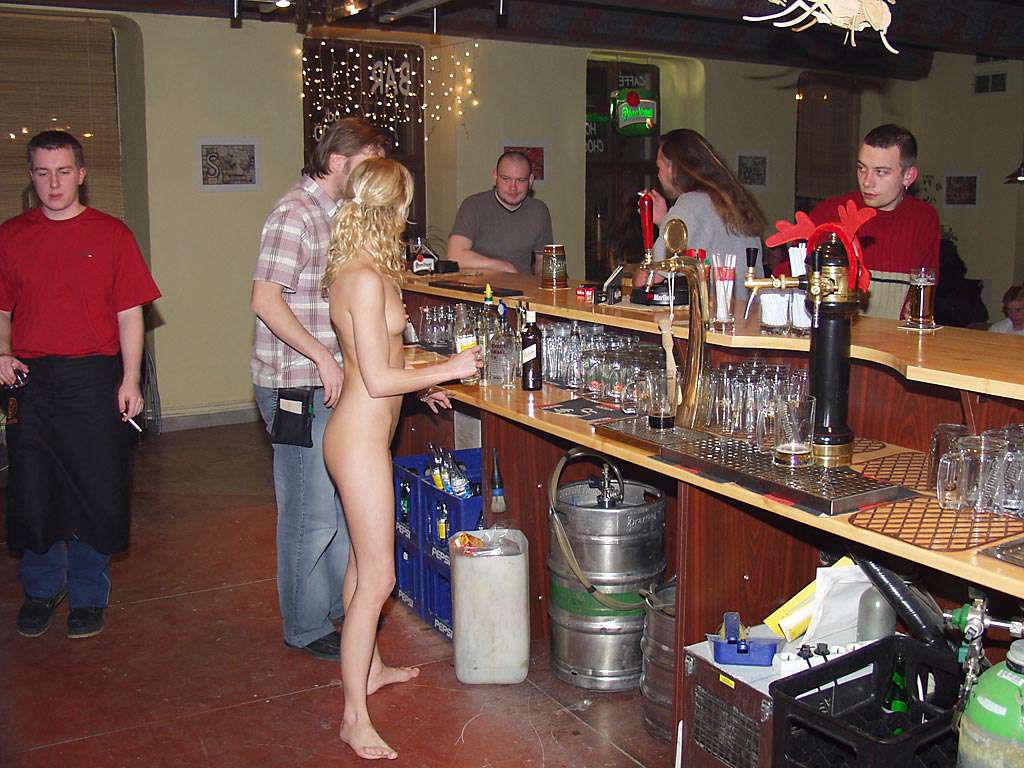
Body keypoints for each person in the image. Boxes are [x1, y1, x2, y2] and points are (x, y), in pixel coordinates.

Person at [321, 158, 480, 759]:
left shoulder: (366, 269)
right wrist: (450, 368)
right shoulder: (363, 279)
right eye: (403, 207)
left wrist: (424, 383)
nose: (407, 218)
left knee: (361, 567)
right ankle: (352, 717)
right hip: (357, 439)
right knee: (380, 579)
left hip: (366, 433)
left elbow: (382, 363)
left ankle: (371, 670)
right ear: (389, 209)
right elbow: (377, 378)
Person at [0, 130, 160, 639]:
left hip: (94, 377)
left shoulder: (112, 235)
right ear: (31, 176)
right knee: (33, 488)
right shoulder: (11, 236)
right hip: (30, 380)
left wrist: (130, 379)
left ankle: (89, 594)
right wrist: (2, 352)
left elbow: (131, 314)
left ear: (82, 175)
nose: (54, 183)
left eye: (63, 172)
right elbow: (1, 310)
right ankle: (42, 589)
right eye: (43, 173)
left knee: (96, 487)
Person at [250, 117, 390, 661]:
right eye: (368, 162)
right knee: (310, 513)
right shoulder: (295, 214)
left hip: (326, 383)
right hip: (296, 385)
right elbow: (265, 300)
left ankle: (333, 607)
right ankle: (305, 625)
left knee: (334, 505)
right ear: (337, 161)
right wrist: (321, 355)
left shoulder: (336, 215)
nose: (373, 174)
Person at [806, 124, 940, 319]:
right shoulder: (830, 213)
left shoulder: (924, 219)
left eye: (881, 172)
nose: (867, 182)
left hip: (895, 335)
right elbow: (789, 274)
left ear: (908, 176)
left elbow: (926, 285)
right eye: (862, 169)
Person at [633, 129, 767, 300]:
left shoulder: (688, 206)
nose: (658, 175)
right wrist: (664, 221)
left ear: (672, 168)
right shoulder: (733, 200)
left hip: (714, 314)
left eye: (659, 168)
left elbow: (647, 279)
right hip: (751, 311)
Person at [447, 150, 553, 274]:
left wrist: (550, 277)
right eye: (506, 179)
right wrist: (504, 267)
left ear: (530, 180)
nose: (513, 188)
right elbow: (455, 256)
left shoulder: (539, 210)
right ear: (495, 177)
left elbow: (542, 261)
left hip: (522, 284)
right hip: (481, 285)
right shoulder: (474, 206)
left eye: (521, 180)